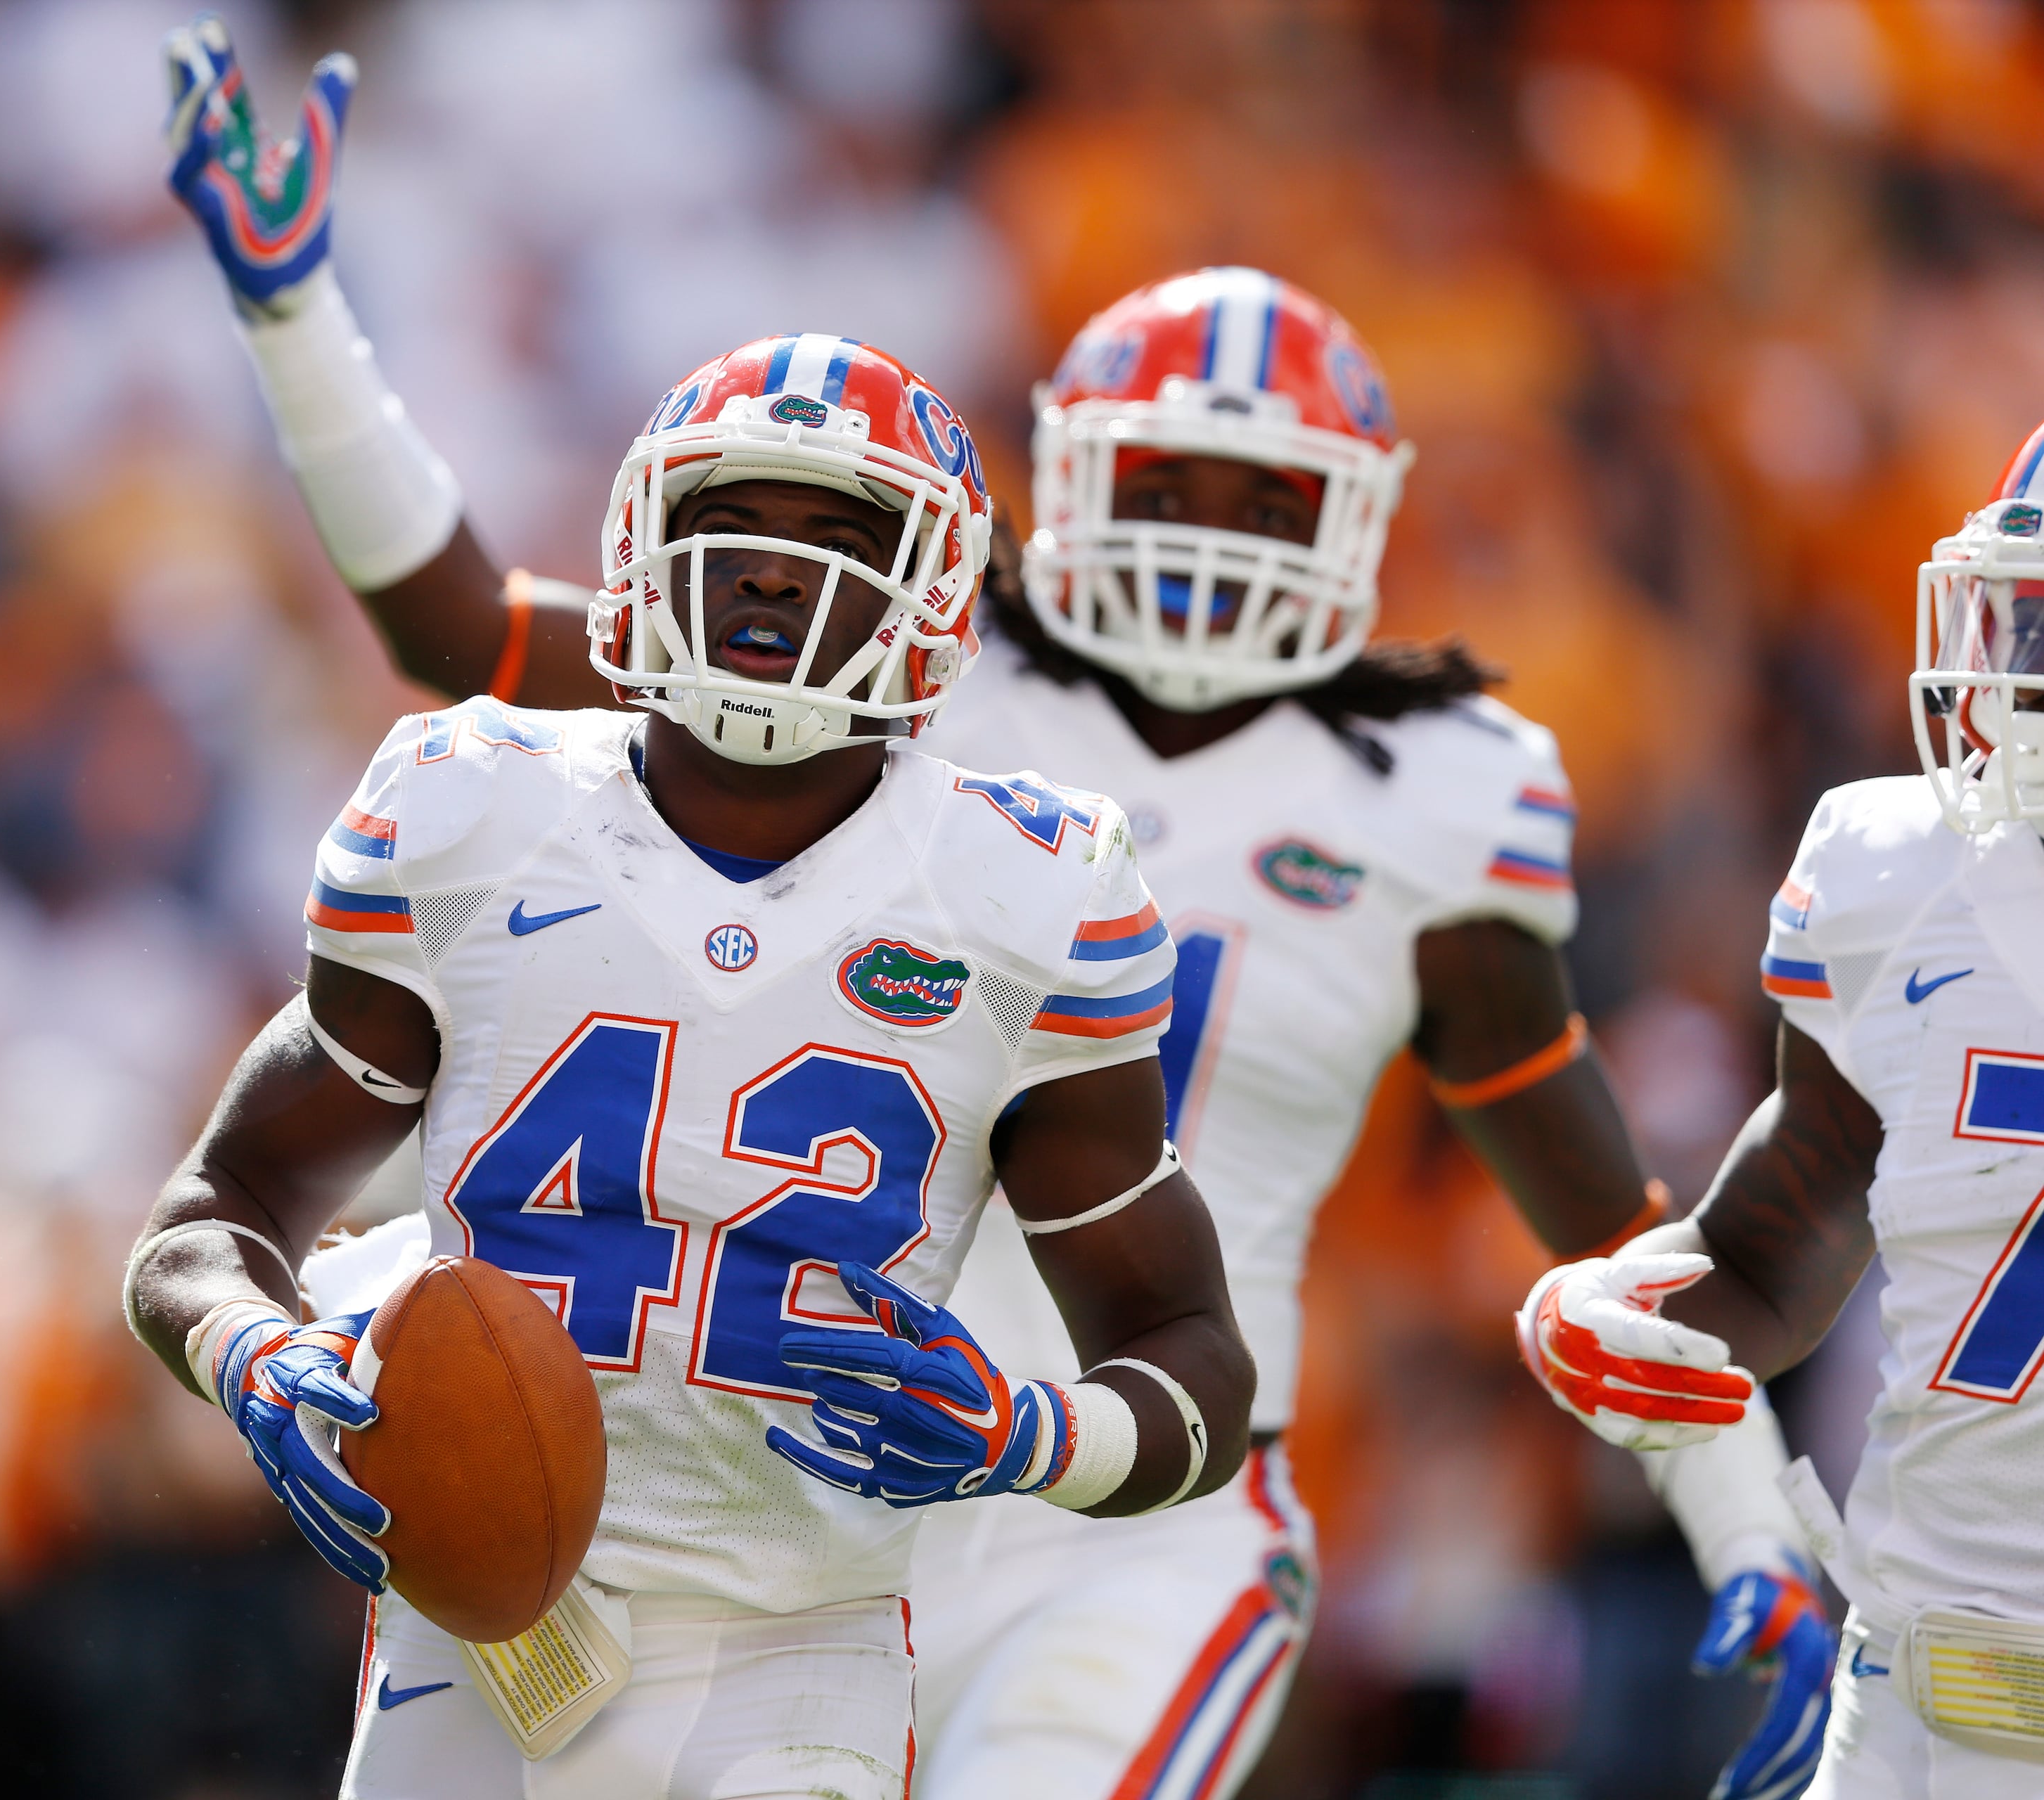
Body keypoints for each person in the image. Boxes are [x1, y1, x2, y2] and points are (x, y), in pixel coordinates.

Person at [159, 26, 1830, 1800]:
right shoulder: (884, 664)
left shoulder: (1427, 792)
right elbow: (466, 627)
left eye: (1263, 505)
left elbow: (1589, 1201)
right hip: (771, 1460)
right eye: (1161, 488)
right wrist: (298, 317)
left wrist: (1747, 1514)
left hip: (1120, 1480)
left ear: (1360, 523)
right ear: (1064, 479)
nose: (1207, 549)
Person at [134, 46, 1258, 1792]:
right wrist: (260, 1355)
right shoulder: (477, 807)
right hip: (479, 1629)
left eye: (836, 537)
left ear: (937, 593)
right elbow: (214, 1216)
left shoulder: (1028, 888)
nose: (776, 573)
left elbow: (1191, 1364)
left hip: (791, 1646)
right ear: (648, 547)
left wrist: (1030, 1429)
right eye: (734, 523)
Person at [1521, 425, 2044, 1800]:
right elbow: (1773, 1246)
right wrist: (1633, 1310)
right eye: (2040, 629)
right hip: (1919, 1694)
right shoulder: (1901, 875)